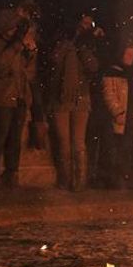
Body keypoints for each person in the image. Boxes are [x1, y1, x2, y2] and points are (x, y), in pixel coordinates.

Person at [0, 4, 38, 189]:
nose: (15, 30)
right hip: (1, 95)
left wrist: (30, 52)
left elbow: (27, 70)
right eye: (14, 26)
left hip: (19, 95)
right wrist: (17, 45)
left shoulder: (17, 43)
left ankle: (12, 173)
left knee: (15, 138)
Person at [46, 14, 102, 191]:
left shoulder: (89, 46)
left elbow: (93, 67)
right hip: (61, 98)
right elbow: (53, 60)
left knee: (78, 142)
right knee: (63, 141)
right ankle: (65, 179)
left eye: (89, 24)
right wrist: (68, 44)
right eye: (82, 23)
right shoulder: (62, 42)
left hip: (81, 98)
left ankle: (79, 181)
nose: (85, 27)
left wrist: (83, 48)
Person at [101, 42, 133, 189]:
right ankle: (120, 180)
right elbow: (109, 95)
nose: (130, 57)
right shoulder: (112, 72)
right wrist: (117, 112)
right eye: (127, 54)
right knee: (122, 148)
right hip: (124, 118)